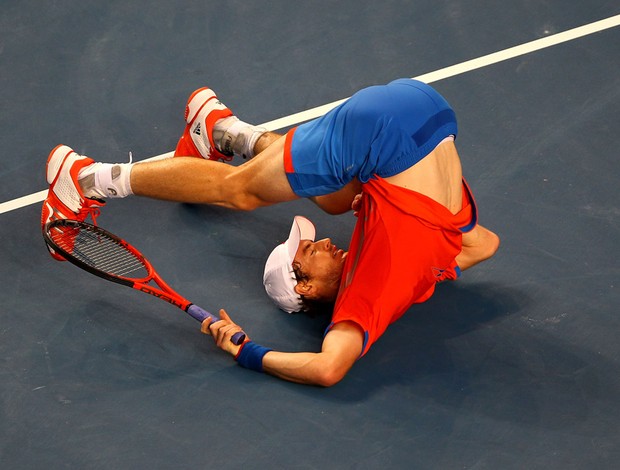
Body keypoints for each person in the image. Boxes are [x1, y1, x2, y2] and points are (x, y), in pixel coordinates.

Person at [41, 79, 499, 386]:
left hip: (430, 115)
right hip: (391, 130)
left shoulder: (384, 286)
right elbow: (329, 367)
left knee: (336, 196)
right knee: (237, 192)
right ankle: (87, 178)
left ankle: (222, 131)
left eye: (304, 252)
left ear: (310, 288)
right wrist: (248, 353)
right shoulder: (377, 286)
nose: (320, 241)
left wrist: (420, 269)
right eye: (308, 249)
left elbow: (481, 244)